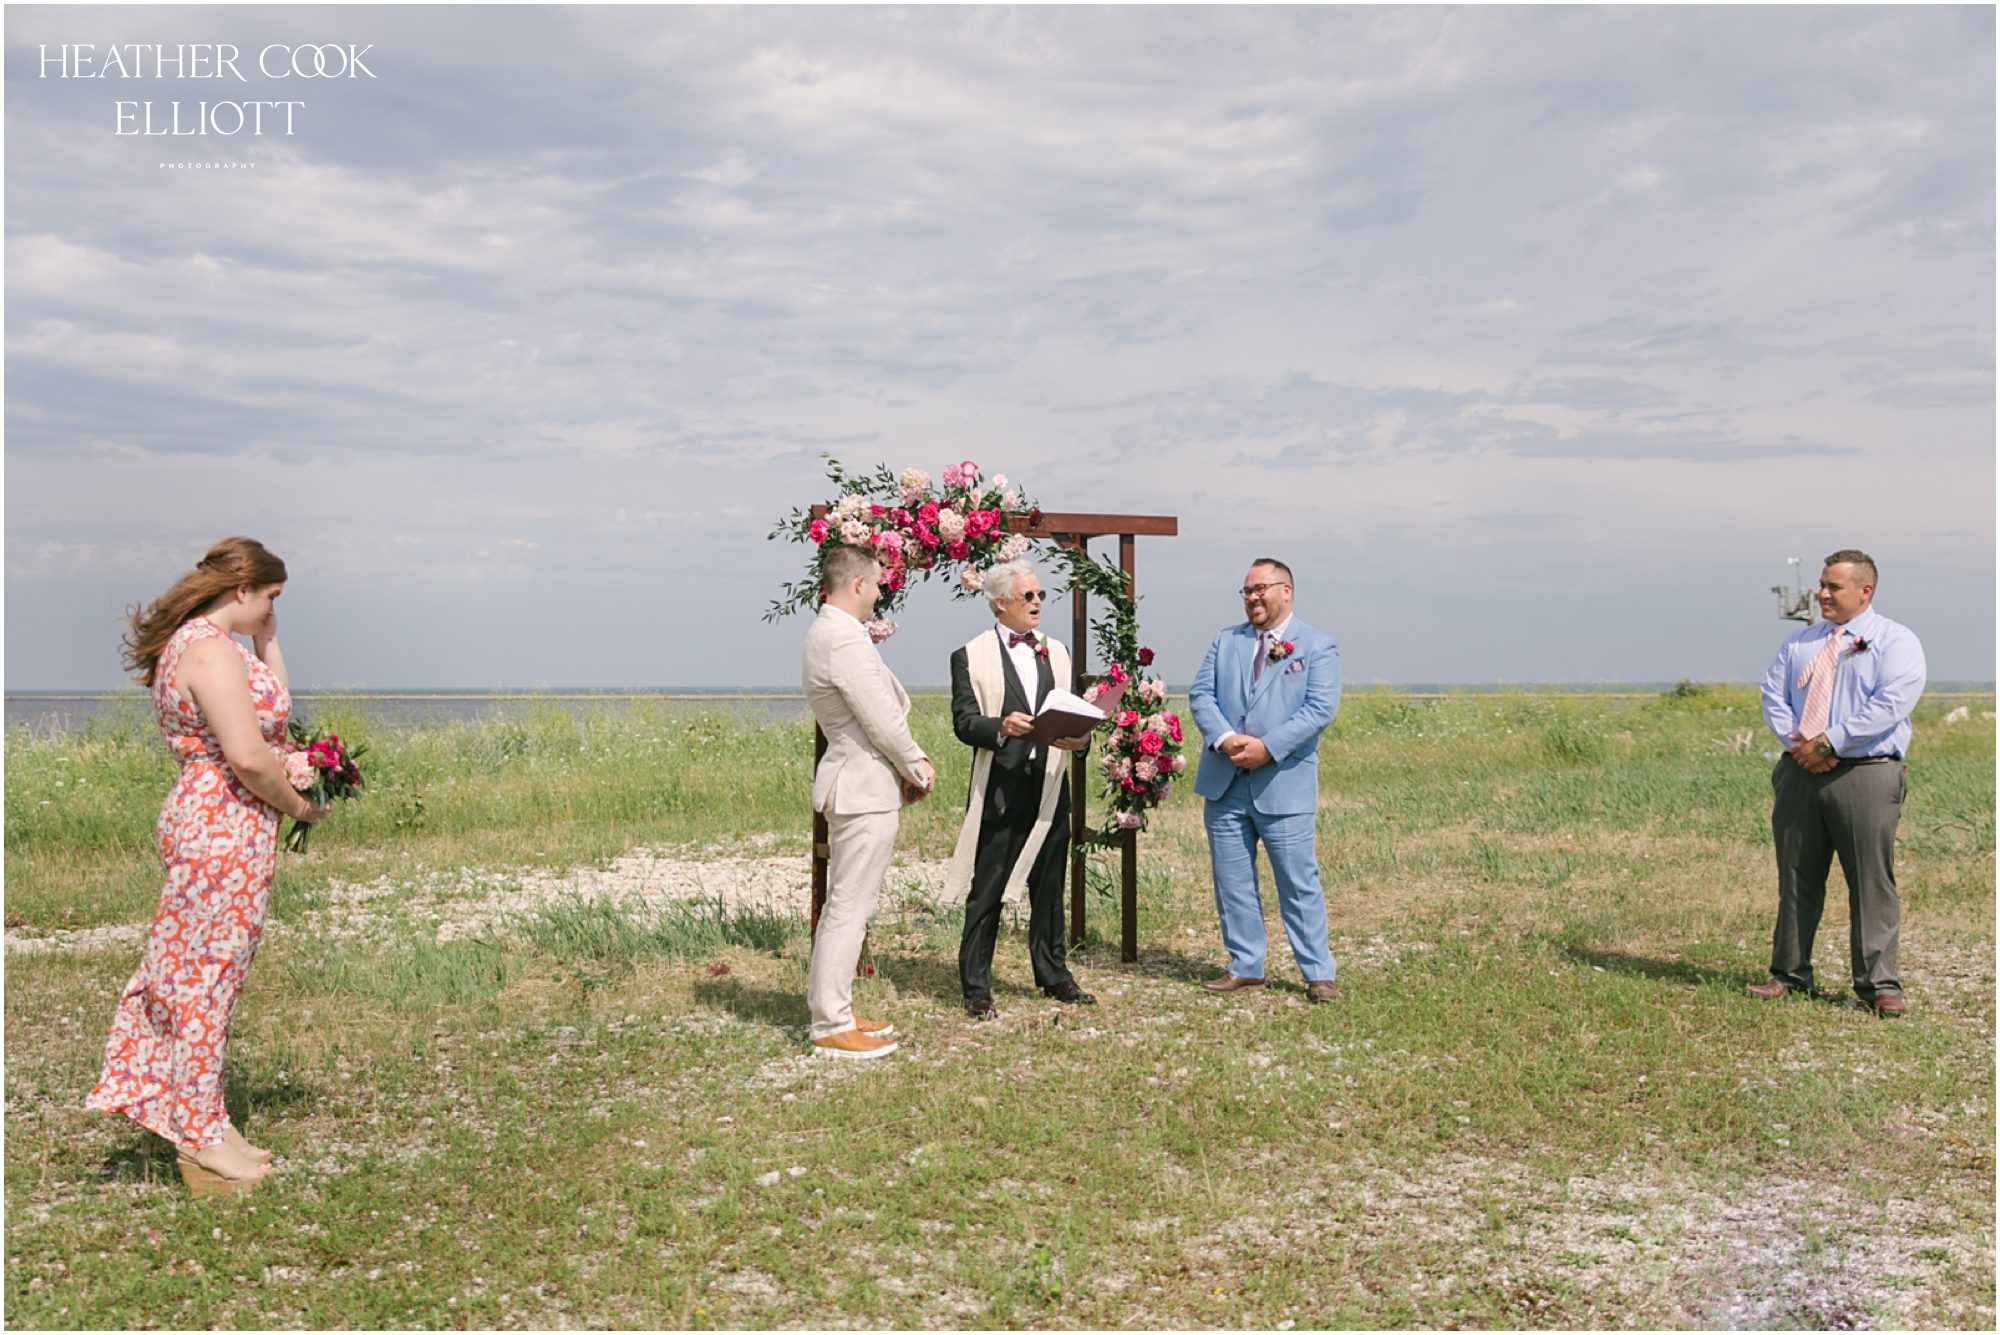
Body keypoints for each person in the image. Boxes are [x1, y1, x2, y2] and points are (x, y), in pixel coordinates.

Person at [85, 537, 325, 1196]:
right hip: (220, 824)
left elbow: (273, 718)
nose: (273, 609)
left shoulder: (209, 643)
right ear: (242, 588)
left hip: (225, 823)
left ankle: (208, 1120)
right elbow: (248, 755)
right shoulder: (210, 651)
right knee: (203, 982)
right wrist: (300, 806)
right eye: (270, 598)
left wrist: (268, 640)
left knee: (211, 977)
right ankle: (199, 1137)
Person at [1752, 549, 1926, 1016]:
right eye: (1822, 584)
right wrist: (1800, 746)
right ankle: (1790, 974)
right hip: (1800, 772)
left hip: (1865, 772)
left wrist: (1830, 742)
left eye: (1834, 587)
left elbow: (1891, 703)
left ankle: (1879, 985)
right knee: (1796, 875)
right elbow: (1773, 695)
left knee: (1870, 880)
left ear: (1865, 590)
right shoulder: (1800, 642)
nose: (1822, 594)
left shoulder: (1895, 641)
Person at [801, 544, 936, 1058]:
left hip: (862, 781)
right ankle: (830, 1023)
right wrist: (917, 766)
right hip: (861, 785)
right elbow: (881, 719)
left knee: (851, 904)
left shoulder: (833, 632)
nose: (880, 593)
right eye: (877, 584)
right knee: (848, 906)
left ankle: (836, 1008)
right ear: (858, 584)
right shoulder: (841, 639)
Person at [944, 560, 1094, 1020]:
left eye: (1040, 594)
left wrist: (1082, 740)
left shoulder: (1058, 652)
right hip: (1001, 786)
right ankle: (976, 987)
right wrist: (1001, 726)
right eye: (1027, 595)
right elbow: (964, 723)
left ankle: (1053, 974)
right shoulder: (969, 656)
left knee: (1049, 884)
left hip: (1049, 783)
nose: (1037, 602)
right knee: (987, 886)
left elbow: (1071, 710)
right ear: (999, 604)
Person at [1187, 559, 1341, 1002]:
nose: (1252, 597)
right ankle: (1246, 965)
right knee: (1232, 881)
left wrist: (1267, 748)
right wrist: (1225, 739)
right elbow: (1201, 695)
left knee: (1297, 881)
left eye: (1260, 589)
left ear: (1286, 591)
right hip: (1225, 781)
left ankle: (1318, 973)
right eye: (1246, 591)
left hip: (1283, 784)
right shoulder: (1226, 640)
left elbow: (1319, 709)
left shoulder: (1318, 646)